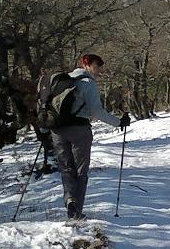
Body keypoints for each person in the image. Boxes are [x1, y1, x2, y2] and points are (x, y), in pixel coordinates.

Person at [48, 53, 130, 221]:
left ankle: (70, 200)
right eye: (96, 66)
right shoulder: (88, 84)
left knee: (66, 169)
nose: (98, 70)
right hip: (79, 129)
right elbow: (96, 111)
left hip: (57, 130)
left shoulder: (61, 81)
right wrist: (118, 122)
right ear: (86, 65)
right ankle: (76, 211)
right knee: (80, 171)